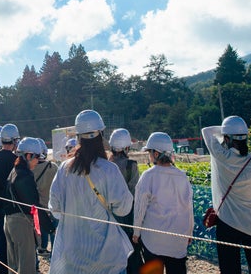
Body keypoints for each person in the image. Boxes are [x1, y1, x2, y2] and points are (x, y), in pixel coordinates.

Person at [49, 110, 134, 274]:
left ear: (78, 137)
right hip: (106, 259)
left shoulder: (64, 169)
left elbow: (55, 208)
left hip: (73, 258)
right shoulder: (109, 170)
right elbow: (123, 208)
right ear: (101, 135)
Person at [202, 116, 251, 274]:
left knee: (230, 269)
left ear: (226, 138)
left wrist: (226, 130)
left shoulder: (221, 157)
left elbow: (207, 131)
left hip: (227, 223)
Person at [132, 132, 193, 274]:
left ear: (156, 154)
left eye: (150, 152)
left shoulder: (148, 176)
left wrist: (136, 232)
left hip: (153, 240)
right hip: (178, 241)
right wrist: (189, 232)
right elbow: (188, 206)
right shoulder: (182, 176)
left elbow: (140, 207)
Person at [5, 137, 42, 274]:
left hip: (9, 221)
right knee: (26, 266)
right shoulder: (24, 175)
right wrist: (49, 226)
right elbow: (33, 204)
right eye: (37, 157)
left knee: (13, 266)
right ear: (28, 155)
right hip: (21, 222)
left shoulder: (14, 170)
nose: (38, 161)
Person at [0, 123, 20, 274]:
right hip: (12, 207)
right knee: (14, 242)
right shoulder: (16, 159)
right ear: (14, 141)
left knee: (1, 240)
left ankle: (3, 269)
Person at [109, 128, 141, 274]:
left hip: (109, 217)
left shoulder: (105, 165)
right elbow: (135, 194)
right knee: (132, 254)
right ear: (127, 147)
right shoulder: (131, 166)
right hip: (128, 217)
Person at [32, 138, 58, 255]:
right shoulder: (53, 167)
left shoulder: (31, 168)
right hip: (53, 204)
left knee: (39, 228)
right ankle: (54, 251)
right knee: (54, 229)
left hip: (38, 204)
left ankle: (41, 248)